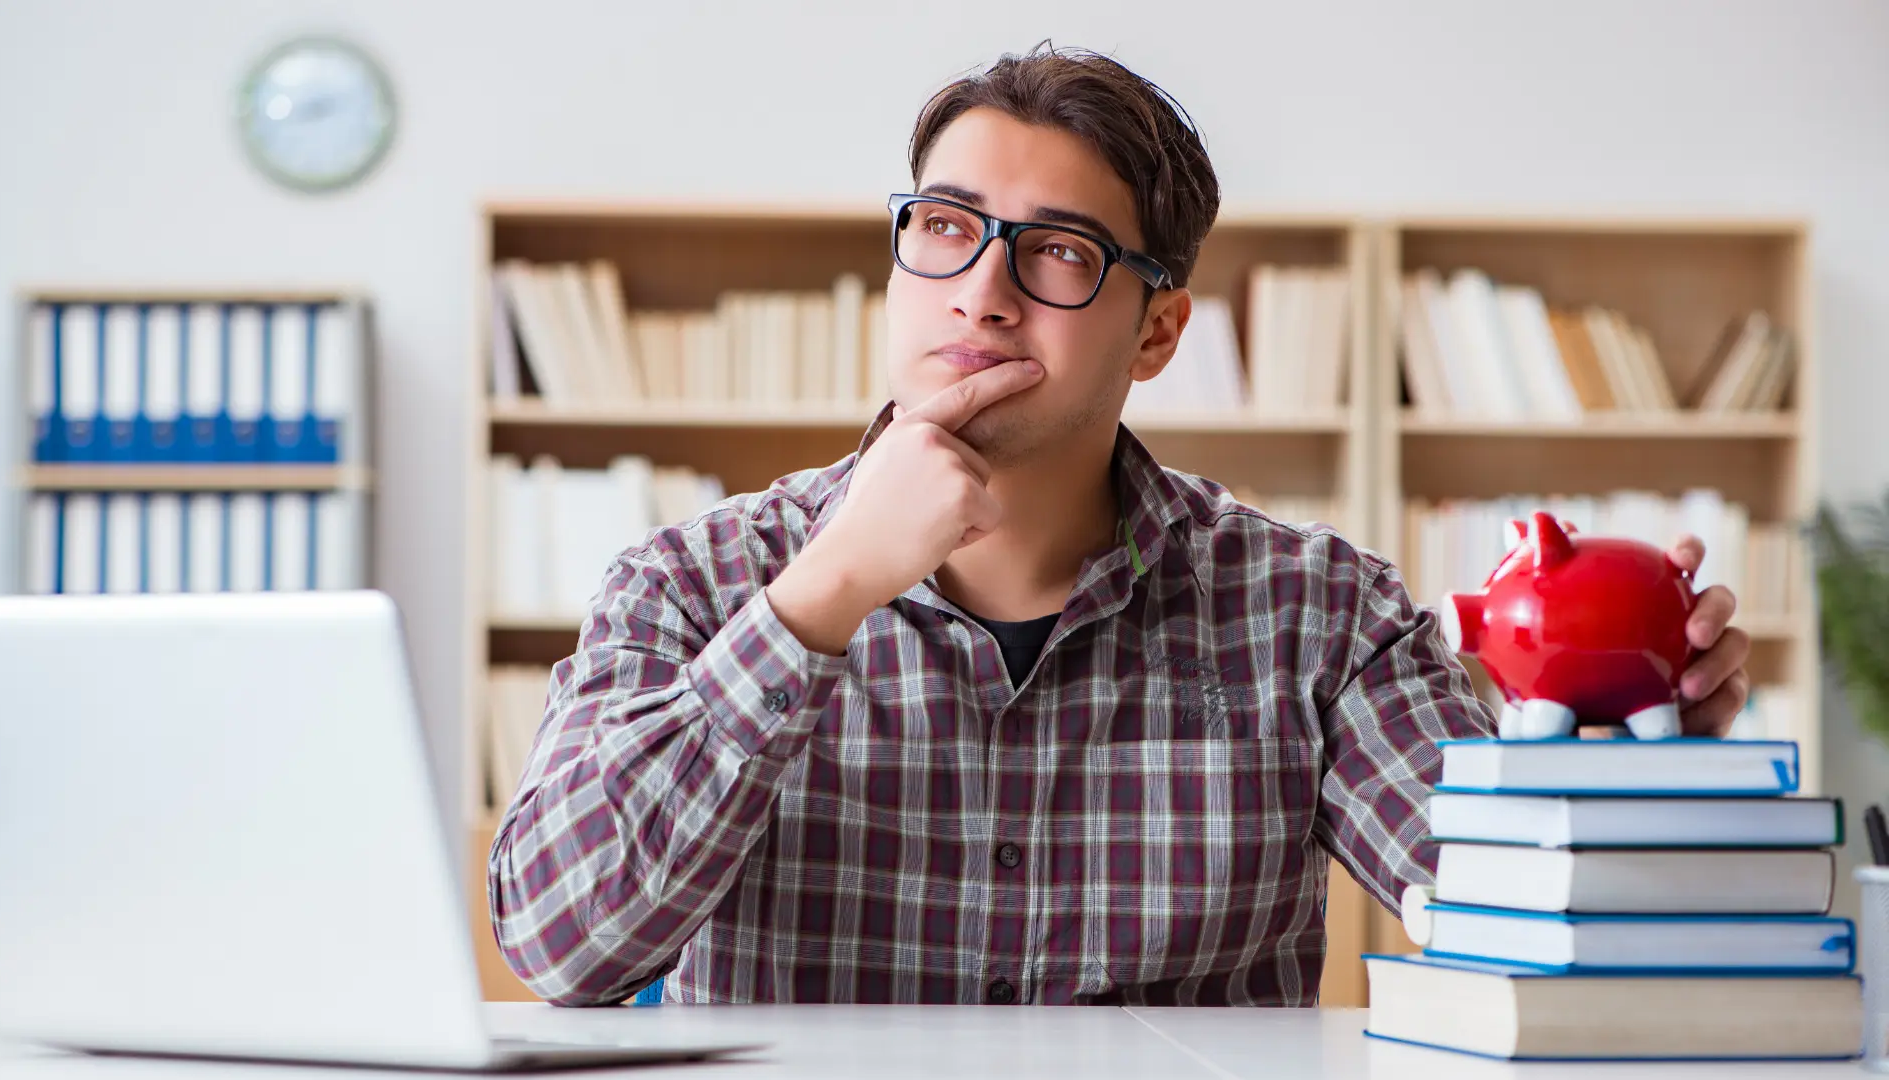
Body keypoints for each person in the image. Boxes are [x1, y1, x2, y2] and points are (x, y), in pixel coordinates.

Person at [486, 44, 1752, 1007]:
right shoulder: (693, 582)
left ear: (1158, 330)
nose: (980, 294)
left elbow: (1521, 929)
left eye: (1060, 253)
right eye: (943, 229)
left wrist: (1620, 764)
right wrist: (821, 599)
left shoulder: (1321, 615)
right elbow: (559, 949)